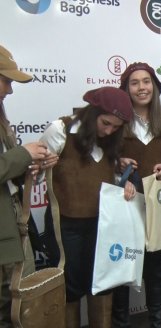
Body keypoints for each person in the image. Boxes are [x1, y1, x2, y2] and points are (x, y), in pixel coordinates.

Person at [39, 86, 134, 328]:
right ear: (93, 113)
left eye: (116, 127)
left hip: (101, 224)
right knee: (69, 287)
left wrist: (121, 181)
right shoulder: (60, 130)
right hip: (66, 224)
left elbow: (104, 179)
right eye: (105, 123)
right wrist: (40, 164)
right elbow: (36, 175)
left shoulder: (111, 140)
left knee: (102, 282)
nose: (109, 130)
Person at [112, 62, 161, 327]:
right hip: (126, 207)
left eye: (146, 81)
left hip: (157, 208)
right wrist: (118, 168)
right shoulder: (117, 125)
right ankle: (120, 323)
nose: (141, 88)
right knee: (123, 269)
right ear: (126, 89)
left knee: (156, 272)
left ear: (154, 85)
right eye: (134, 83)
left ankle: (158, 322)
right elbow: (105, 164)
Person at [0, 44, 57, 326]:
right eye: (6, 80)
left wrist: (31, 167)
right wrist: (23, 155)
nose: (9, 90)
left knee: (16, 306)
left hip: (11, 231)